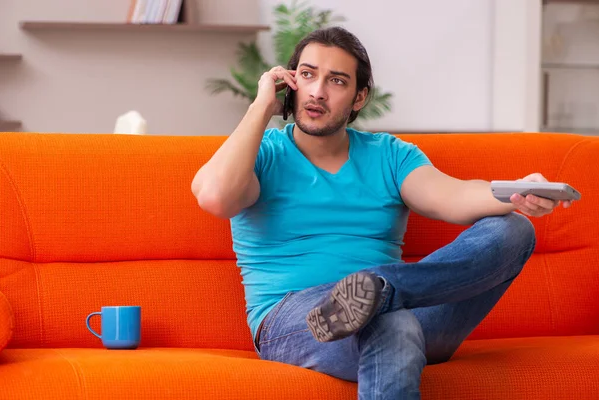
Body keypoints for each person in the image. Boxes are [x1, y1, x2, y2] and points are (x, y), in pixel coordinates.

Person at [191, 26, 572, 399]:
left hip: (413, 311)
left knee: (514, 230)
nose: (318, 91)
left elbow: (453, 196)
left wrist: (515, 192)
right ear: (289, 83)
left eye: (337, 81)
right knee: (393, 324)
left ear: (359, 97)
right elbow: (215, 198)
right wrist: (261, 107)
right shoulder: (262, 153)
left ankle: (383, 291)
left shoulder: (389, 155)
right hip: (297, 321)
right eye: (307, 75)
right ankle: (382, 296)